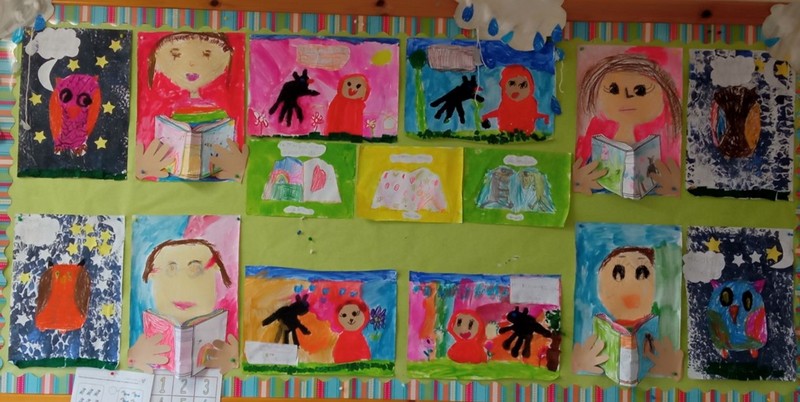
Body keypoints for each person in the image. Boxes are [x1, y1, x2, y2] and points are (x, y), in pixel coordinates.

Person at [137, 32, 246, 181]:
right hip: (171, 181)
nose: (192, 64)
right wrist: (143, 171)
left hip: (215, 183)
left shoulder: (218, 111)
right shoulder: (173, 113)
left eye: (206, 55)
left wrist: (238, 172)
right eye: (176, 55)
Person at [572, 49, 683, 196]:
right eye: (613, 89)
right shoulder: (596, 145)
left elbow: (669, 190)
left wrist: (676, 188)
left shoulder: (663, 148)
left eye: (641, 91)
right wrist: (577, 183)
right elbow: (585, 185)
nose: (627, 97)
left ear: (662, 95)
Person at [128, 239, 238, 374]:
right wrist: (133, 357)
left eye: (196, 268)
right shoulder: (139, 333)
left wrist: (235, 359)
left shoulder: (229, 328)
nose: (183, 285)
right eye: (171, 269)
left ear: (216, 271)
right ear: (152, 275)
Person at [572, 247, 682, 380]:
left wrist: (672, 369)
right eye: (618, 274)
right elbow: (578, 367)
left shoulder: (659, 327)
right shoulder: (600, 328)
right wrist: (581, 364)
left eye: (642, 274)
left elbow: (672, 370)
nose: (630, 286)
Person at [481, 65, 549, 133]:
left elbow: (532, 115)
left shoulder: (531, 104)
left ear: (531, 88)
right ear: (504, 85)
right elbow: (500, 113)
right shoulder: (505, 104)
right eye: (512, 84)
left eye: (522, 85)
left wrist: (545, 117)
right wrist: (486, 117)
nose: (516, 89)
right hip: (507, 133)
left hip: (525, 134)